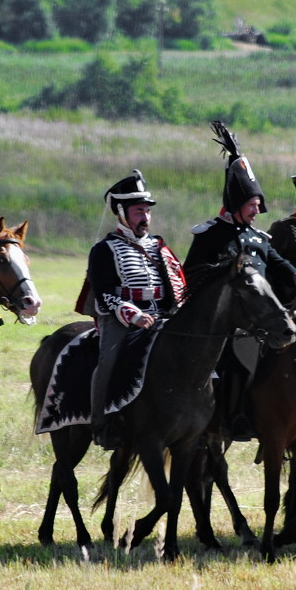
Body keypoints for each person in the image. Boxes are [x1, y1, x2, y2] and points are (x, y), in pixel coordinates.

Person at [184, 121, 296, 439]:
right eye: (252, 206)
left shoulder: (258, 237)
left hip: (259, 314)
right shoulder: (211, 235)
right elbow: (191, 275)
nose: (257, 211)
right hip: (223, 319)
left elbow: (278, 262)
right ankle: (235, 416)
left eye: (258, 206)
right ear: (236, 205)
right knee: (235, 358)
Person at [77, 170, 186, 449]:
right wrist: (132, 314)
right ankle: (101, 423)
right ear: (122, 213)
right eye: (139, 211)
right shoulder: (104, 249)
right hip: (121, 318)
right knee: (109, 359)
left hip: (161, 314)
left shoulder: (159, 246)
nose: (145, 217)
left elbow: (175, 284)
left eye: (147, 211)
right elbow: (103, 294)